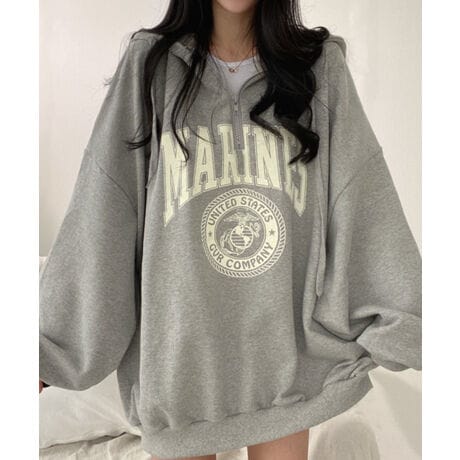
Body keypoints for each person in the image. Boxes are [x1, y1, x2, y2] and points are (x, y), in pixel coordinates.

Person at [39, 1, 422, 459]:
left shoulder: (318, 67)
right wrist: (51, 347)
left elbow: (360, 194)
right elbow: (105, 207)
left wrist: (409, 319)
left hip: (287, 367)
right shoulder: (151, 65)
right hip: (181, 370)